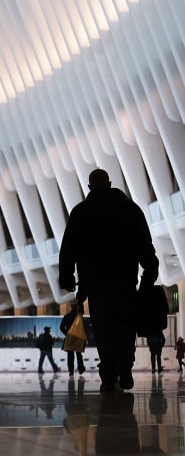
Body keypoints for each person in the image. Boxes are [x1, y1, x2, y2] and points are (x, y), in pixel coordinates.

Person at [59, 168, 158, 392]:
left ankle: (108, 376)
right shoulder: (131, 209)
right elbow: (146, 247)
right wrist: (148, 276)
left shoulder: (81, 212)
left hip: (96, 286)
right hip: (125, 283)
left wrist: (67, 277)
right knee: (125, 327)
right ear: (111, 183)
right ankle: (125, 367)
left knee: (103, 330)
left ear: (90, 187)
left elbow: (68, 250)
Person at [60, 303, 86, 376]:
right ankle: (80, 369)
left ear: (71, 307)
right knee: (79, 354)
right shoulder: (79, 317)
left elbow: (61, 327)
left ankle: (71, 371)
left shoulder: (66, 316)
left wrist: (67, 334)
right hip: (78, 338)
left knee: (70, 355)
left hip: (70, 338)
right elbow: (83, 329)